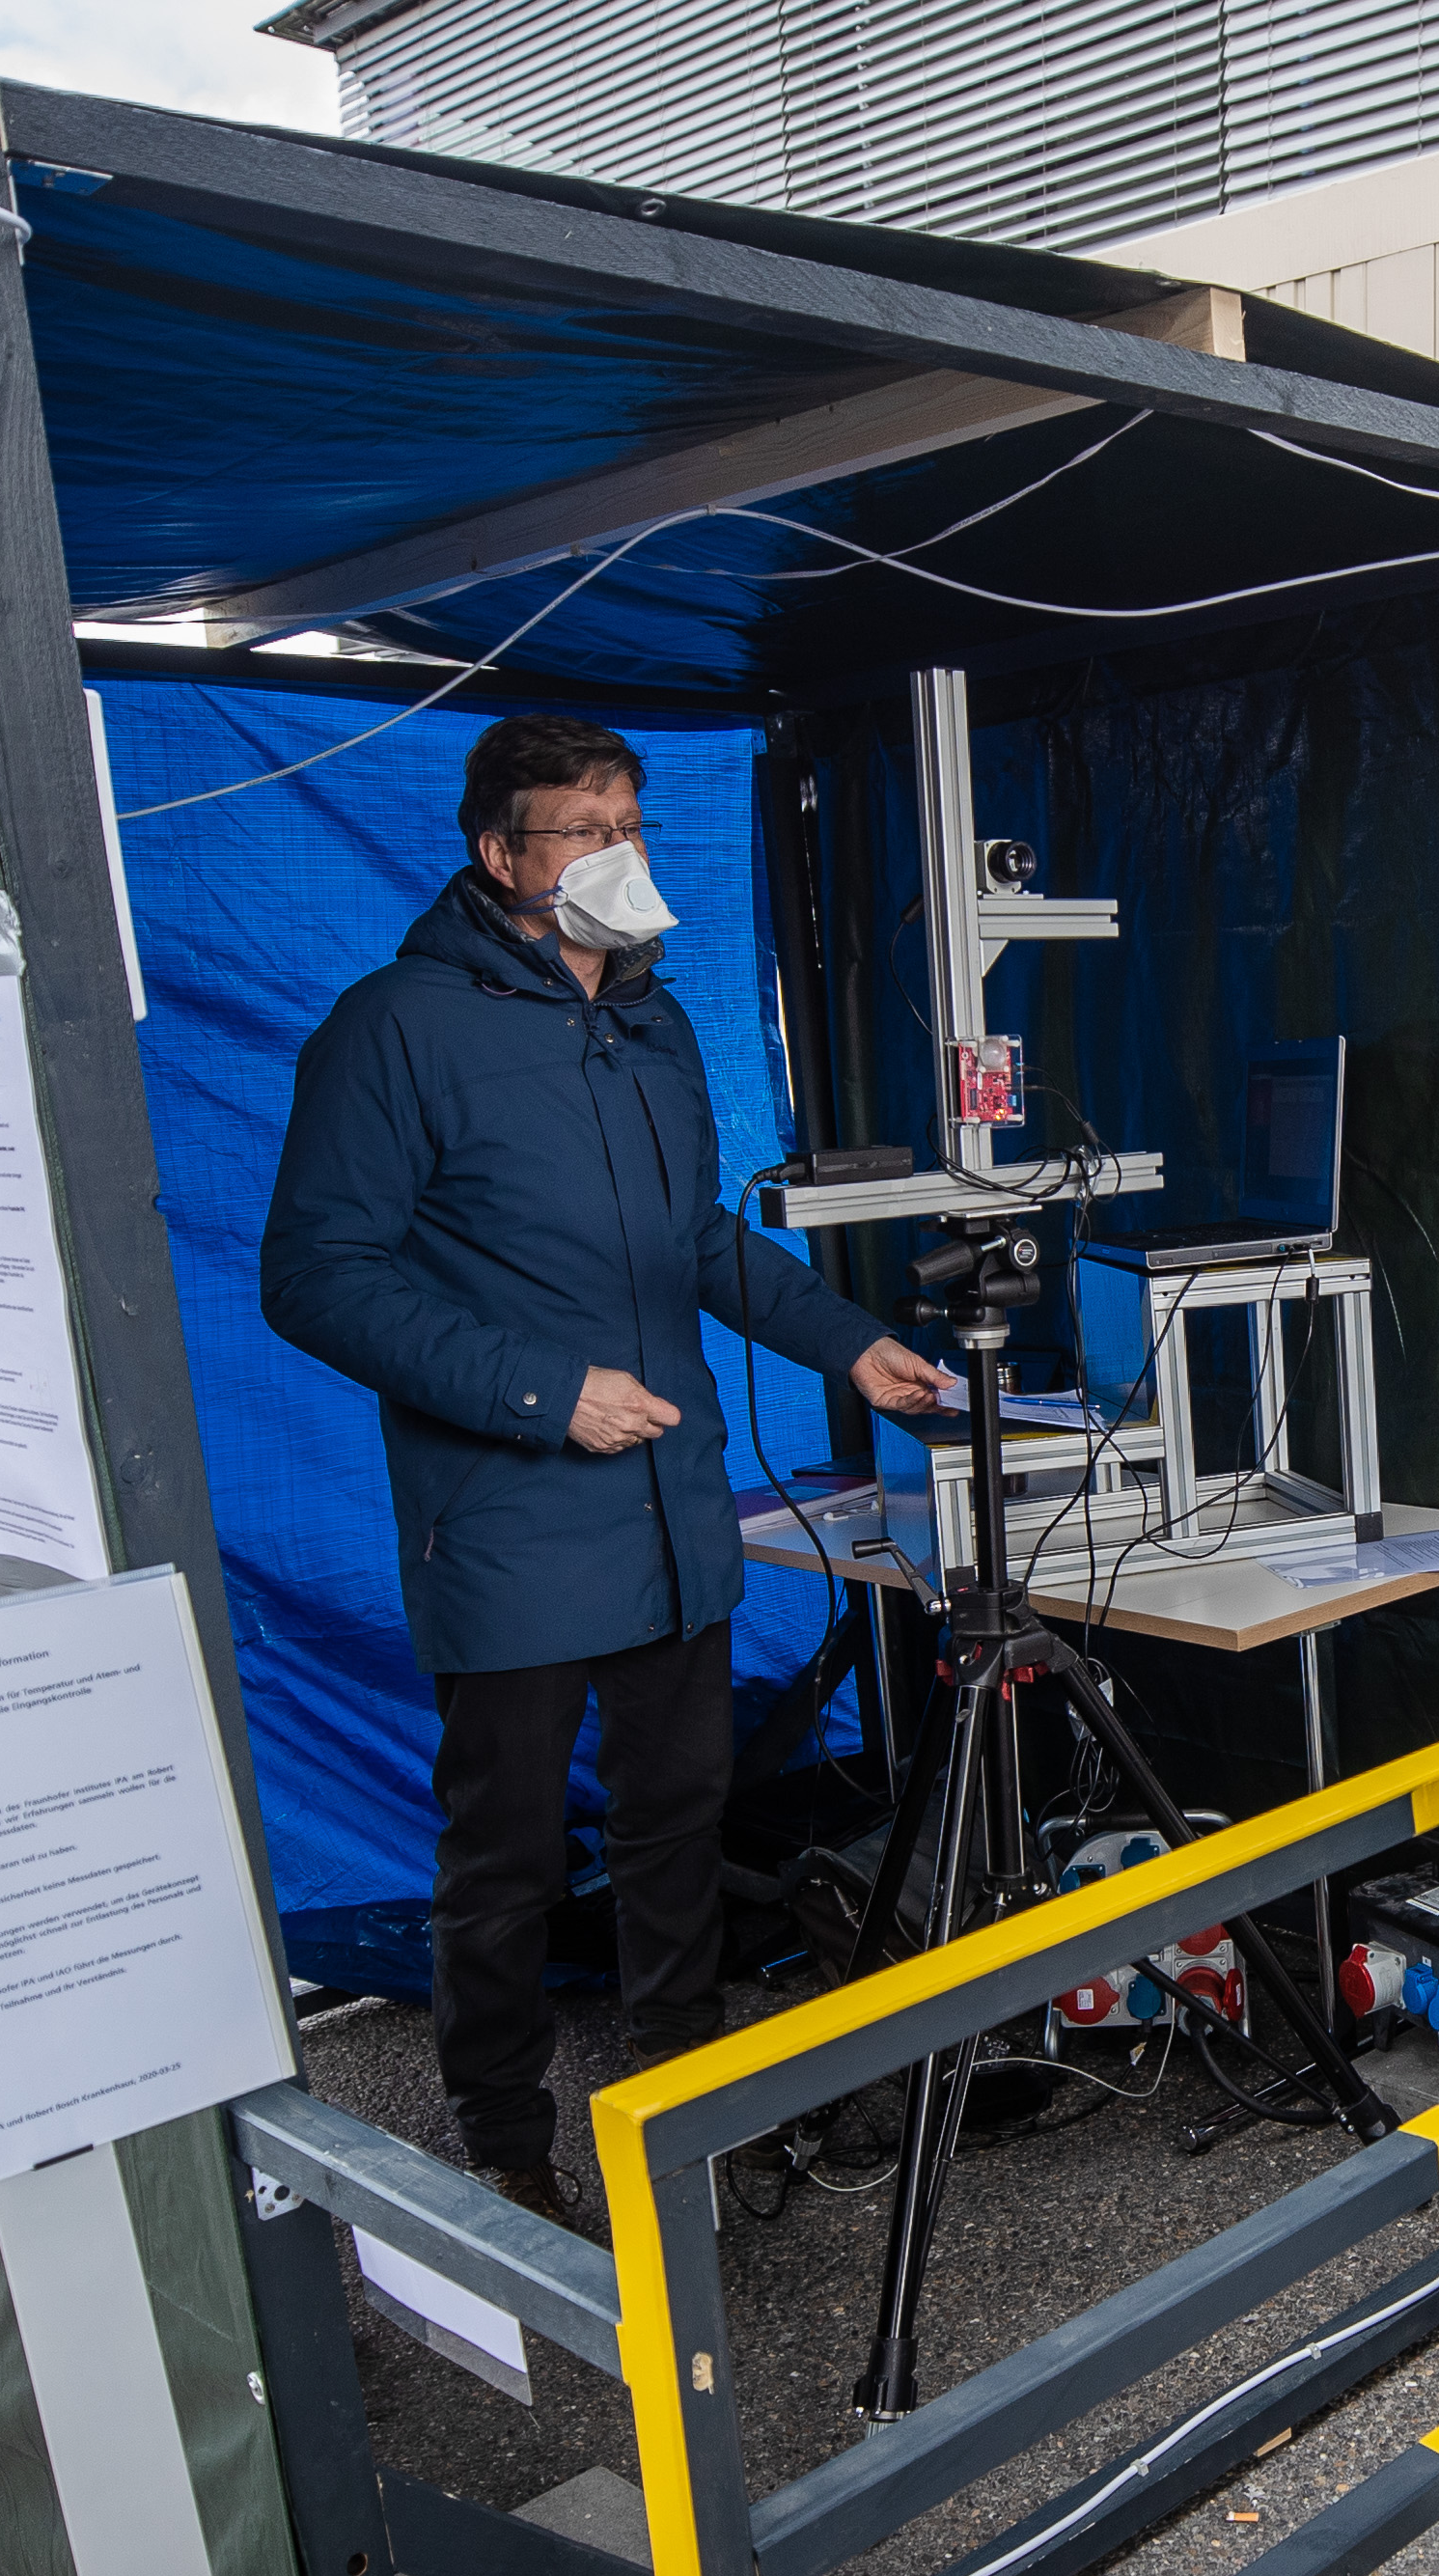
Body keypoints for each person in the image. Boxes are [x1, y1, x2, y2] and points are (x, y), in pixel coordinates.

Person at [264, 714, 948, 2227]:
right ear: (497, 854)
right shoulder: (392, 1030)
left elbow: (695, 1241)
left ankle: (683, 2108)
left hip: (673, 1525)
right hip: (509, 1526)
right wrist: (540, 1391)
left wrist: (845, 1342)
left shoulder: (653, 1025)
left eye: (627, 824)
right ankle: (504, 2137)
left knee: (672, 1829)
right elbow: (314, 1277)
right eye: (580, 830)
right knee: (501, 1855)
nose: (615, 856)